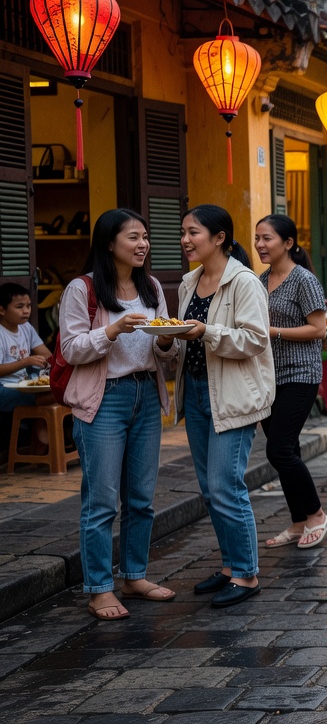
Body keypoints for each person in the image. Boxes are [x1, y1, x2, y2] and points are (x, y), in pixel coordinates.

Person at [62, 209, 179, 620]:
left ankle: (133, 575)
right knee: (101, 501)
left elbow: (166, 347)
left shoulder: (150, 286)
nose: (142, 244)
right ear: (109, 242)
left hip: (146, 394)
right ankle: (98, 588)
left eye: (145, 237)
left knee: (142, 499)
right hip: (103, 399)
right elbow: (70, 349)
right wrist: (111, 331)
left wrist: (168, 341)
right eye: (133, 237)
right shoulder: (83, 289)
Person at [173, 204, 275, 608]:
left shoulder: (244, 282)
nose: (185, 240)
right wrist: (168, 340)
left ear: (219, 238)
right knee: (209, 490)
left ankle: (247, 574)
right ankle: (232, 566)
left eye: (193, 232)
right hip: (197, 392)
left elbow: (255, 339)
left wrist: (206, 331)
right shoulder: (188, 283)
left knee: (225, 486)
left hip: (233, 394)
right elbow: (183, 339)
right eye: (183, 232)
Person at [253, 216, 327, 551]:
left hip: (300, 374)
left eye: (267, 238)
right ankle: (299, 521)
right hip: (268, 376)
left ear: (288, 243)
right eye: (257, 238)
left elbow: (318, 329)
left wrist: (273, 332)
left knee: (279, 449)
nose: (259, 245)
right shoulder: (260, 280)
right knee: (288, 450)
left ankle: (316, 514)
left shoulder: (303, 279)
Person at [0, 283, 53, 447]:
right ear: (2, 310)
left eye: (29, 306)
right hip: (3, 388)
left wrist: (47, 362)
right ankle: (42, 439)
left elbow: (46, 354)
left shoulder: (26, 327)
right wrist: (27, 361)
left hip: (24, 382)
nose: (26, 311)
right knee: (42, 397)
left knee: (59, 389)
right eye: (19, 306)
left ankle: (42, 440)